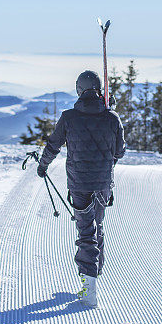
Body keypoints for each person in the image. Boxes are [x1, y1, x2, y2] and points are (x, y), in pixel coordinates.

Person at [36, 70, 125, 308]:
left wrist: (43, 166)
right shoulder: (112, 117)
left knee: (86, 233)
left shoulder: (69, 117)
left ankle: (89, 287)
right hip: (104, 183)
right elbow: (119, 152)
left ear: (79, 90)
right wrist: (111, 114)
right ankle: (96, 275)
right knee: (99, 226)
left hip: (79, 184)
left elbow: (53, 145)